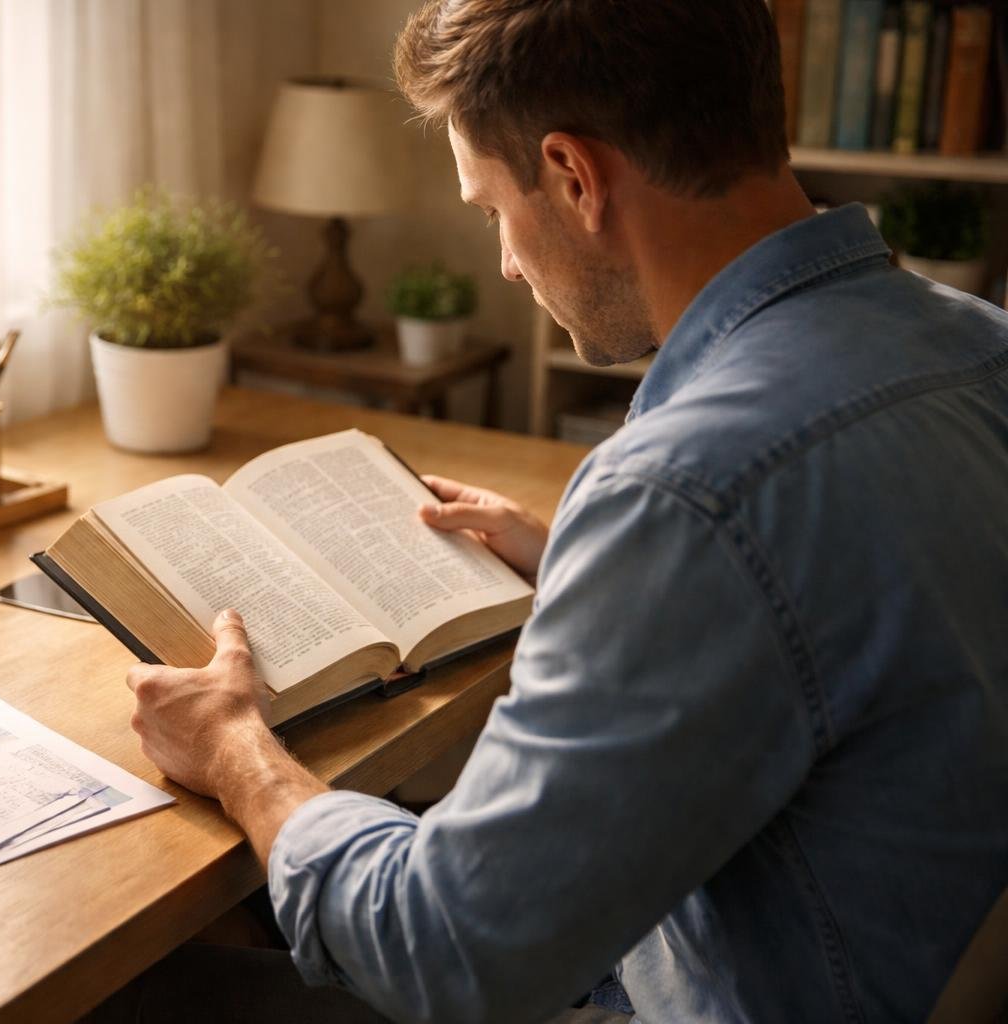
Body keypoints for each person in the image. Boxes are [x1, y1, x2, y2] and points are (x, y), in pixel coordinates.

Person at [116, 1, 1008, 1021]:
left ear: (575, 178)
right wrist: (590, 562)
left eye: (493, 209)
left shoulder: (680, 495)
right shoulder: (983, 344)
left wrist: (236, 752)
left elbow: (445, 954)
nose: (503, 259)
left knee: (143, 988)